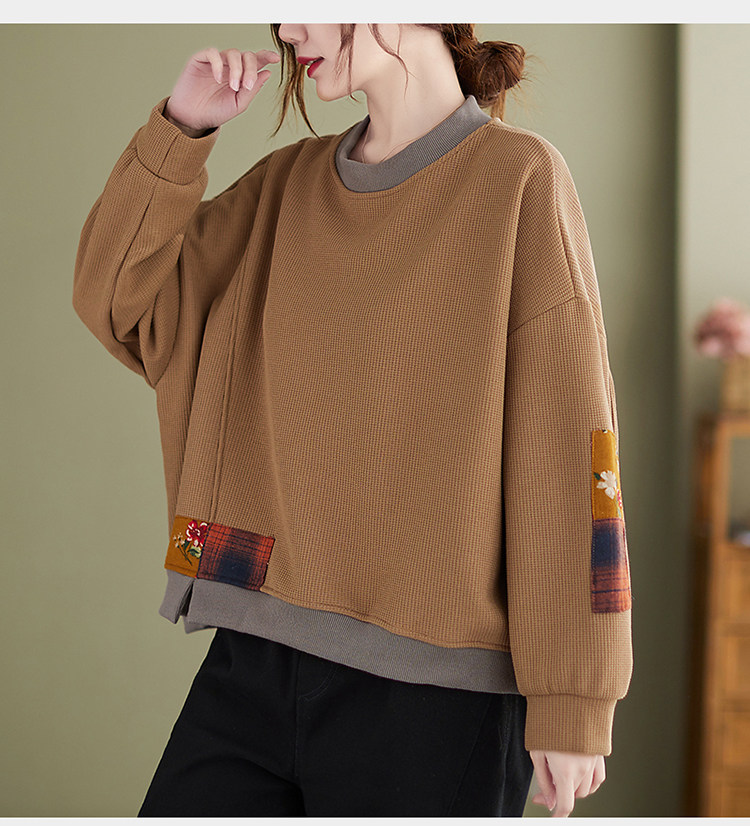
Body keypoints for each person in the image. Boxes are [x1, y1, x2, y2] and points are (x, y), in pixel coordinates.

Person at [72, 23, 633, 818]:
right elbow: (117, 305)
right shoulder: (283, 186)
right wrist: (180, 131)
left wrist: (574, 700)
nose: (287, 28)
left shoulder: (518, 178)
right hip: (253, 647)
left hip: (440, 695)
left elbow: (573, 452)